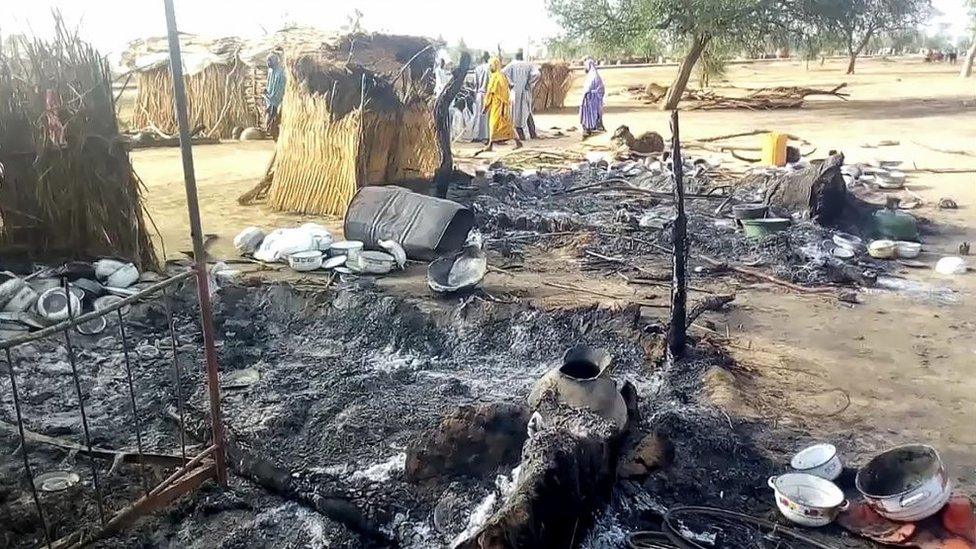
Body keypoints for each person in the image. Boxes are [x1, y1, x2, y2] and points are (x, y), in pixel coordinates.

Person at [474, 57, 522, 155]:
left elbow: (491, 93)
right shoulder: (502, 76)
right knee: (504, 125)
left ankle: (517, 142)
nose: (490, 67)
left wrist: (486, 106)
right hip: (504, 105)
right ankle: (491, 145)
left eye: (491, 65)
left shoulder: (495, 77)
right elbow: (509, 87)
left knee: (494, 125)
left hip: (497, 105)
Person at [502, 49, 541, 140]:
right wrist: (529, 83)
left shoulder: (512, 64)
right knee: (527, 112)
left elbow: (503, 73)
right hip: (525, 91)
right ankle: (532, 133)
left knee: (516, 113)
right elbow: (537, 74)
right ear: (522, 56)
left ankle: (521, 135)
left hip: (515, 92)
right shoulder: (528, 65)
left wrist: (510, 83)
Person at [579, 58, 605, 138]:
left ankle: (593, 128)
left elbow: (601, 89)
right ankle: (588, 128)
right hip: (588, 99)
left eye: (586, 66)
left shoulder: (594, 76)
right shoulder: (590, 76)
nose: (585, 68)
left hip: (593, 100)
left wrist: (591, 93)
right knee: (587, 114)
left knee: (593, 114)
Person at [264, 49, 286, 140]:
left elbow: (281, 88)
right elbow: (268, 84)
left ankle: (277, 137)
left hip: (277, 101)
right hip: (269, 100)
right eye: (267, 60)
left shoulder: (280, 73)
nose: (268, 63)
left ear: (275, 61)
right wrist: (266, 93)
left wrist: (274, 97)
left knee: (276, 121)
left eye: (270, 60)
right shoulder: (270, 71)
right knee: (270, 120)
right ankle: (274, 135)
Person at [471, 52, 491, 142]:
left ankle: (477, 135)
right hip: (487, 93)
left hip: (479, 93)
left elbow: (475, 83)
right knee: (487, 116)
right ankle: (486, 136)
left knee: (478, 115)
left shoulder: (477, 68)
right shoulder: (490, 68)